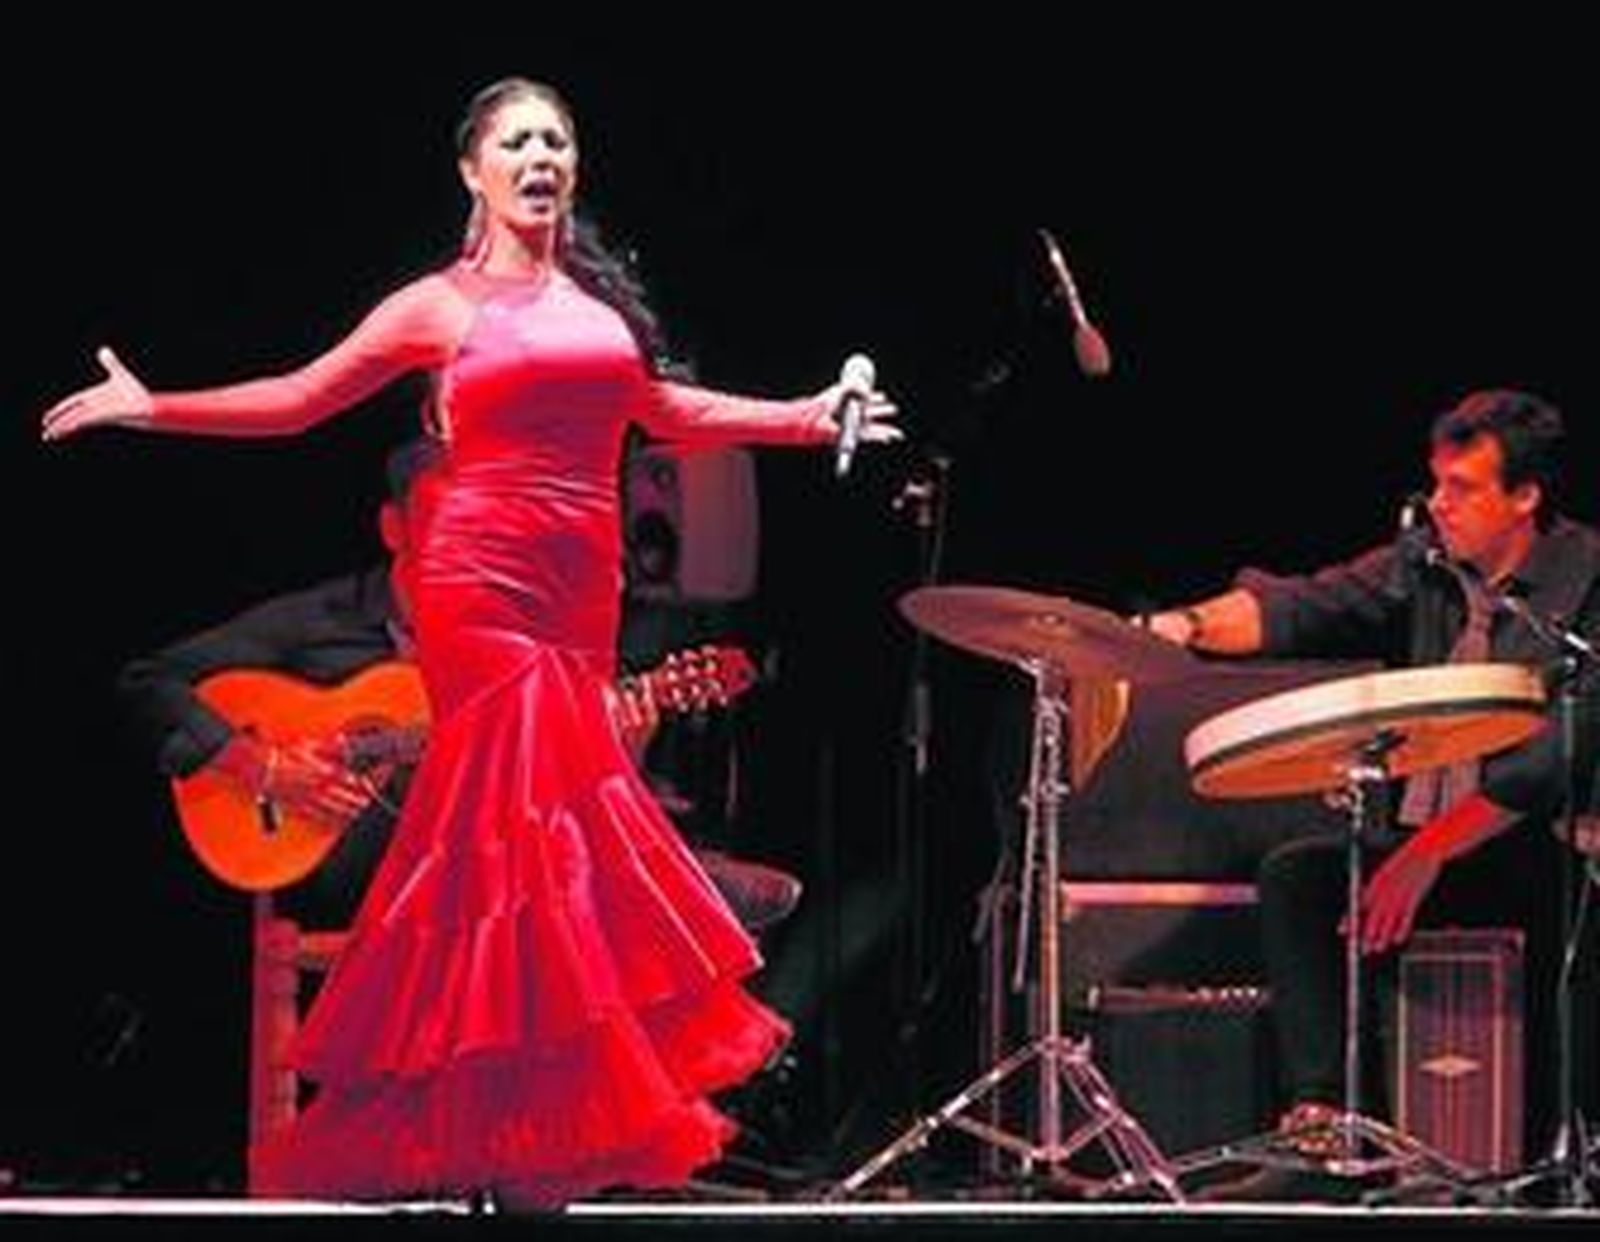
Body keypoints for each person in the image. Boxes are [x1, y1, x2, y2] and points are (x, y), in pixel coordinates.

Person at [42, 77, 898, 1206]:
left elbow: (664, 411)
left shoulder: (596, 308)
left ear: (573, 168)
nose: (541, 156)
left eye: (557, 141)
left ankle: (521, 1131)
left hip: (579, 596)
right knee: (530, 821)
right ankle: (513, 1131)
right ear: (473, 170)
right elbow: (300, 397)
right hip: (480, 589)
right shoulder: (437, 306)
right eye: (517, 141)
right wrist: (155, 406)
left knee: (531, 843)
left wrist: (803, 417)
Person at [1143, 389, 1600, 1198]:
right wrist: (1182, 626)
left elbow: (1551, 762)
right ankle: (1327, 1128)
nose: (1439, 503)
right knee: (1301, 877)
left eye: (1463, 488)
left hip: (1545, 851)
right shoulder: (1424, 563)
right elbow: (1301, 606)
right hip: (1436, 844)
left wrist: (1425, 855)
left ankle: (1554, 1151)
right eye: (1437, 482)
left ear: (1525, 497)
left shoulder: (1587, 583)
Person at [118, 436, 802, 935]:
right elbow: (150, 681)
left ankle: (660, 877)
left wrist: (624, 728)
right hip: (347, 868)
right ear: (395, 528)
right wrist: (263, 767)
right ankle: (668, 881)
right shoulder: (321, 619)